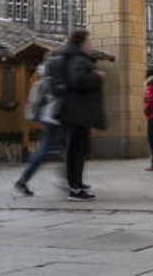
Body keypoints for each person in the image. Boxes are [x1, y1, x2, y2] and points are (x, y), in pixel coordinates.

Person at [54, 29, 104, 201]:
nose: (90, 44)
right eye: (88, 41)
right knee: (76, 150)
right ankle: (74, 188)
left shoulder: (75, 56)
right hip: (75, 112)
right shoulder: (76, 58)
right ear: (81, 42)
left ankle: (77, 183)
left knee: (79, 150)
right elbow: (77, 80)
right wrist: (96, 76)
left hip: (77, 111)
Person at [15, 60, 62, 196]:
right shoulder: (51, 77)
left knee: (47, 151)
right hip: (54, 119)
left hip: (50, 119)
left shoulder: (45, 76)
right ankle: (23, 180)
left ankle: (24, 179)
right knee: (45, 152)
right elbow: (54, 97)